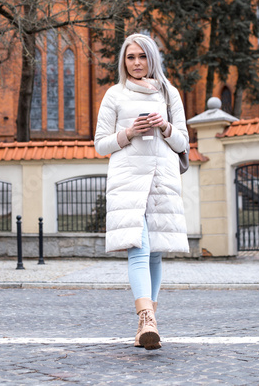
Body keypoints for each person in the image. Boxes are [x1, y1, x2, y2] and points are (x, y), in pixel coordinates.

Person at [94, 33, 189, 350]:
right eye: (130, 57)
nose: (136, 63)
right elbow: (100, 144)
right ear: (124, 61)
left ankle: (147, 322)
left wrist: (164, 126)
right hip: (128, 179)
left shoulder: (168, 92)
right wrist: (130, 131)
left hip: (162, 177)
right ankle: (147, 318)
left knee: (156, 251)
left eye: (142, 56)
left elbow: (183, 143)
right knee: (139, 247)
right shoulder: (114, 95)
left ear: (152, 58)